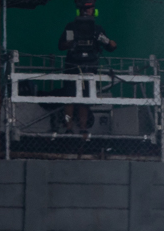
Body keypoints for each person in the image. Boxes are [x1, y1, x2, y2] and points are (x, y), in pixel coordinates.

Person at [59, 0, 117, 134]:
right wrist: (71, 42)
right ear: (79, 11)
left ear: (94, 11)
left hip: (90, 68)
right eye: (84, 9)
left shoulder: (97, 30)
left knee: (85, 100)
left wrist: (108, 42)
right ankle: (68, 127)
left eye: (89, 9)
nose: (86, 11)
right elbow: (61, 45)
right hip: (72, 66)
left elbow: (110, 47)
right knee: (69, 99)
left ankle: (83, 128)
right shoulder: (71, 27)